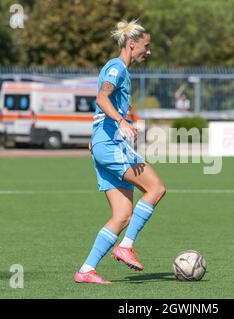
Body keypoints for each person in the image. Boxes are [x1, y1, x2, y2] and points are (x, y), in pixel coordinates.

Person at [74, 20, 166, 284]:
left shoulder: (120, 69)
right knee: (156, 188)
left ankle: (86, 270)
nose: (148, 52)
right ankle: (125, 246)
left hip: (104, 146)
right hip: (111, 146)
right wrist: (121, 121)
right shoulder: (116, 67)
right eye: (146, 47)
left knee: (123, 214)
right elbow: (102, 99)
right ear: (131, 43)